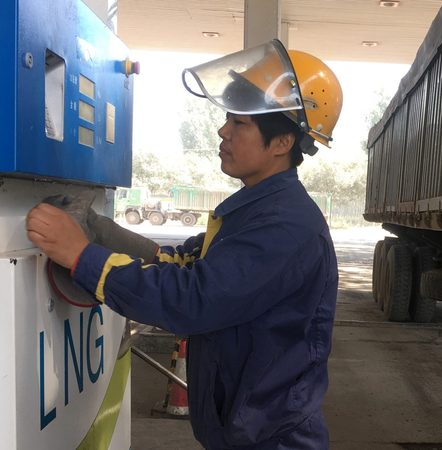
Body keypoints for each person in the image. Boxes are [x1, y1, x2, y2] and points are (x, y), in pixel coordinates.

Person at [26, 40, 343, 449]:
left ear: (282, 143)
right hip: (247, 430)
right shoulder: (256, 210)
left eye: (240, 124)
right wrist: (100, 231)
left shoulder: (284, 226)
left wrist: (82, 256)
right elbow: (184, 262)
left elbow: (193, 300)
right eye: (227, 118)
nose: (222, 130)